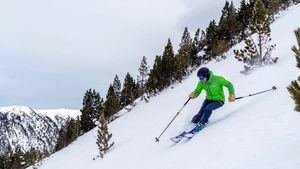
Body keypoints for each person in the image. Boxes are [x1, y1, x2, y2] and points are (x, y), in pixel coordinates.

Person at [187, 67, 235, 133]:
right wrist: (194, 94)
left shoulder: (218, 79)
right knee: (201, 111)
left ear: (207, 75)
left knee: (208, 109)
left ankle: (202, 123)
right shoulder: (201, 83)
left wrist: (231, 94)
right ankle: (193, 122)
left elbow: (229, 85)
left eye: (201, 78)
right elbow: (197, 91)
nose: (200, 80)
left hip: (219, 100)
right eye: (199, 78)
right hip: (208, 99)